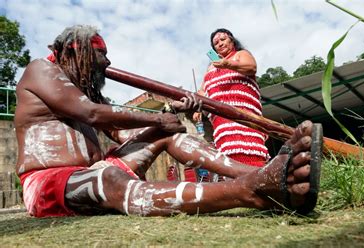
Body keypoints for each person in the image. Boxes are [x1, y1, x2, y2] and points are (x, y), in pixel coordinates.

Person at [14, 25, 323, 217]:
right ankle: (250, 191)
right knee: (108, 180)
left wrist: (173, 116)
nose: (108, 62)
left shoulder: (89, 92)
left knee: (166, 135)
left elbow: (123, 134)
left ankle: (265, 175)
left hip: (91, 171)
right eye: (101, 54)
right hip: (48, 183)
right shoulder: (41, 70)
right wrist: (155, 117)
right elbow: (91, 114)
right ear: (75, 50)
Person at [193, 28, 269, 168]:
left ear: (231, 40)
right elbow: (203, 90)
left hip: (244, 113)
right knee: (228, 154)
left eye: (223, 39)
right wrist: (198, 106)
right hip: (221, 121)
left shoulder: (240, 54)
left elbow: (251, 67)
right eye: (216, 43)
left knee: (250, 148)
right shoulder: (211, 67)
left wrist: (227, 64)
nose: (220, 44)